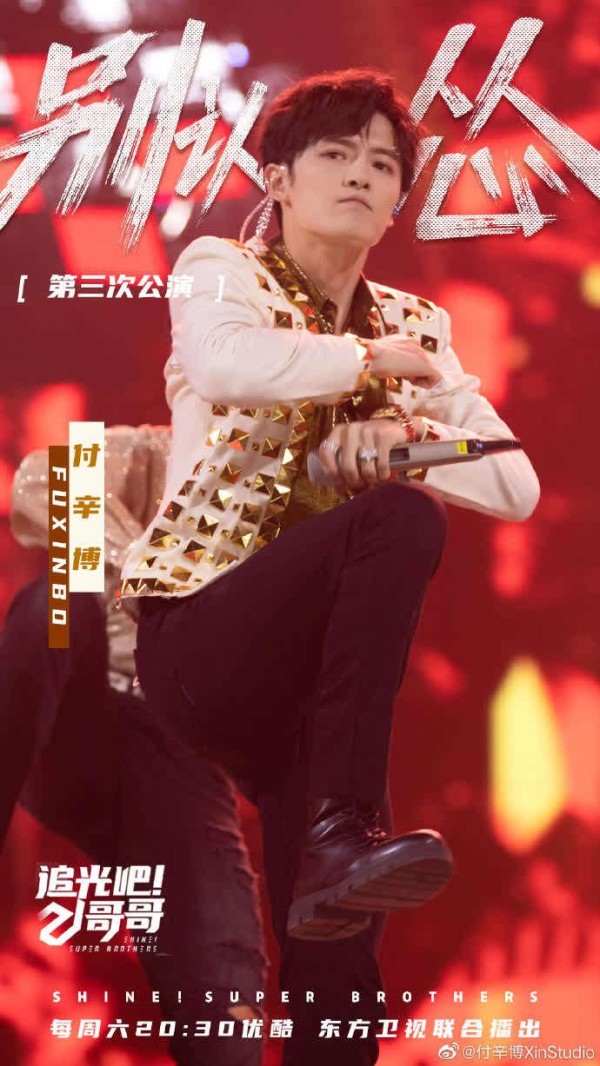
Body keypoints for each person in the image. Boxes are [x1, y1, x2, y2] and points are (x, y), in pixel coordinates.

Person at [117, 69, 540, 1064]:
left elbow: (511, 479)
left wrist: (407, 443)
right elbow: (225, 364)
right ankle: (341, 829)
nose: (361, 175)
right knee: (400, 521)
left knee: (339, 942)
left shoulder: (418, 328)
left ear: (397, 203)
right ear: (279, 179)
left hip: (310, 698)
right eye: (336, 155)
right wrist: (370, 368)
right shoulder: (222, 271)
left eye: (383, 165)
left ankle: (335, 848)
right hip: (199, 638)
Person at [3, 424, 267, 1066]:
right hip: (82, 697)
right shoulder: (152, 449)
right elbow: (47, 479)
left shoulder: (305, 506)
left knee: (226, 1011)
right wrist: (150, 580)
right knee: (59, 601)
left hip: (178, 753)